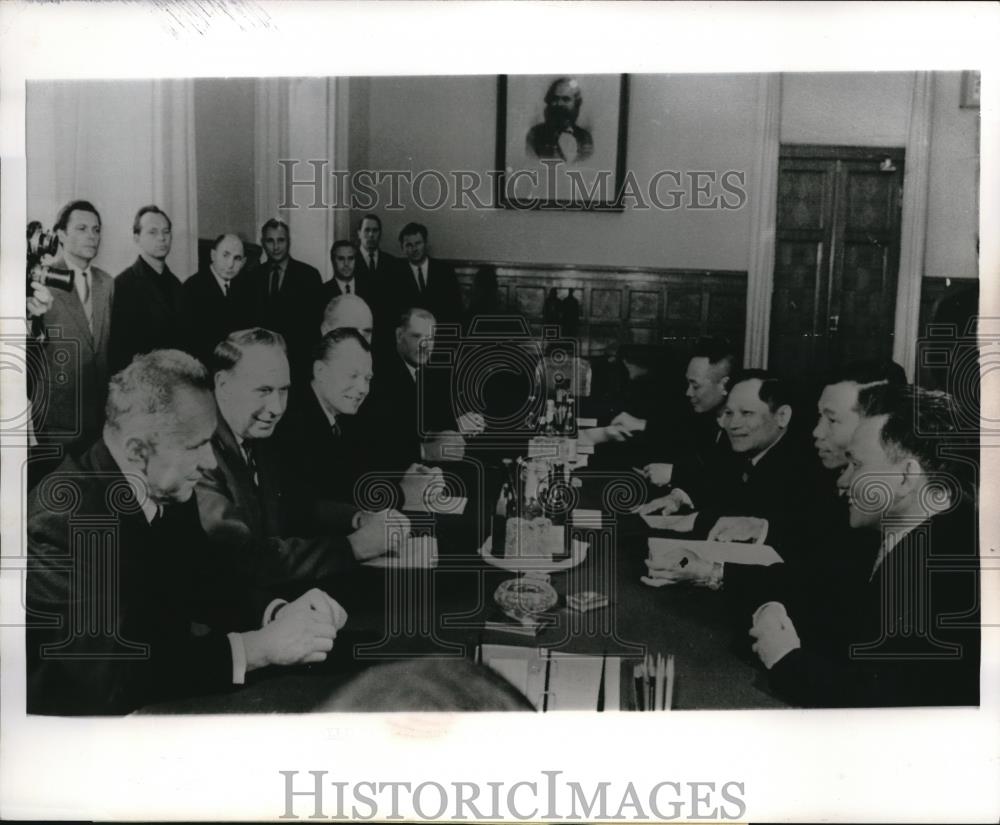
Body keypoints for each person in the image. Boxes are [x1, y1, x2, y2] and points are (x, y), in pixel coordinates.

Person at [26, 350, 347, 715]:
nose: (210, 462)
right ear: (136, 451)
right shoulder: (60, 524)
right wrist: (258, 648)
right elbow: (106, 678)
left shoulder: (167, 487)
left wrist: (279, 614)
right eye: (196, 445)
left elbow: (205, 581)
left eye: (211, 441)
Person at [746, 384, 979, 707]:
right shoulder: (895, 533)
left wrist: (785, 659)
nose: (842, 481)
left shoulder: (953, 568)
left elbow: (886, 704)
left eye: (856, 465)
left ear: (905, 478)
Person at [195, 328, 408, 591]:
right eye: (263, 390)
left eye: (283, 391)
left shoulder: (256, 437)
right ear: (223, 385)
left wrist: (358, 518)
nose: (276, 408)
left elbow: (294, 506)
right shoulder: (197, 451)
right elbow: (243, 559)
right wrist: (354, 546)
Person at [28, 200, 114, 484]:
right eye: (81, 228)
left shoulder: (107, 283)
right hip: (56, 421)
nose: (92, 235)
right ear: (61, 235)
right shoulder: (40, 281)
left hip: (100, 421)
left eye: (96, 229)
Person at [274, 328, 377, 529]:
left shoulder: (345, 418)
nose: (363, 389)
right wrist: (357, 518)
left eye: (367, 379)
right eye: (352, 375)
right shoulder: (290, 423)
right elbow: (299, 508)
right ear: (320, 371)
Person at [364, 308, 484, 470]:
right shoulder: (382, 376)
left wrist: (459, 424)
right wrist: (456, 426)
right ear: (399, 335)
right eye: (417, 336)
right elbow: (390, 438)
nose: (425, 345)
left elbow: (431, 421)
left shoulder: (427, 373)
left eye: (430, 338)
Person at [109, 205, 185, 372]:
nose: (162, 238)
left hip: (177, 380)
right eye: (153, 232)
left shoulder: (176, 284)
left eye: (166, 232)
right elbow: (120, 351)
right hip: (142, 384)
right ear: (137, 238)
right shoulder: (122, 284)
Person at [243, 219, 324, 375]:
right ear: (262, 243)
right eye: (270, 241)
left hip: (298, 363)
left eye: (281, 240)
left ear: (289, 241)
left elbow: (314, 326)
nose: (276, 247)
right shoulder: (252, 277)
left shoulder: (309, 275)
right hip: (261, 362)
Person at [182, 233, 251, 365]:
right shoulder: (192, 288)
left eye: (237, 258)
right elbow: (190, 343)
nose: (230, 264)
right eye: (225, 255)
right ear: (213, 255)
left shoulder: (246, 288)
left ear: (243, 263)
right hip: (205, 369)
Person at [388, 222, 463, 325]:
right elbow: (394, 314)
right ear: (402, 248)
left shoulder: (445, 271)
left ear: (425, 243)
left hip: (440, 335)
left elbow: (456, 310)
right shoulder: (395, 275)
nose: (414, 249)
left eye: (418, 243)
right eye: (409, 245)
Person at [525, 77, 595, 164]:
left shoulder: (585, 137)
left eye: (566, 99)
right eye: (555, 99)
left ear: (576, 104)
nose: (559, 104)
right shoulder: (535, 135)